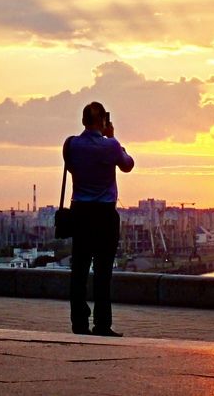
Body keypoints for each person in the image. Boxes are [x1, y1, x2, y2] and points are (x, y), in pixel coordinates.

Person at [64, 101, 135, 336]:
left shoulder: (71, 144)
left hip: (80, 213)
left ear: (84, 121)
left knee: (79, 270)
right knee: (103, 271)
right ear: (103, 121)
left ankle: (79, 322)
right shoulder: (111, 146)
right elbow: (128, 165)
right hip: (104, 214)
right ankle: (102, 324)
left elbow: (73, 168)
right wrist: (114, 140)